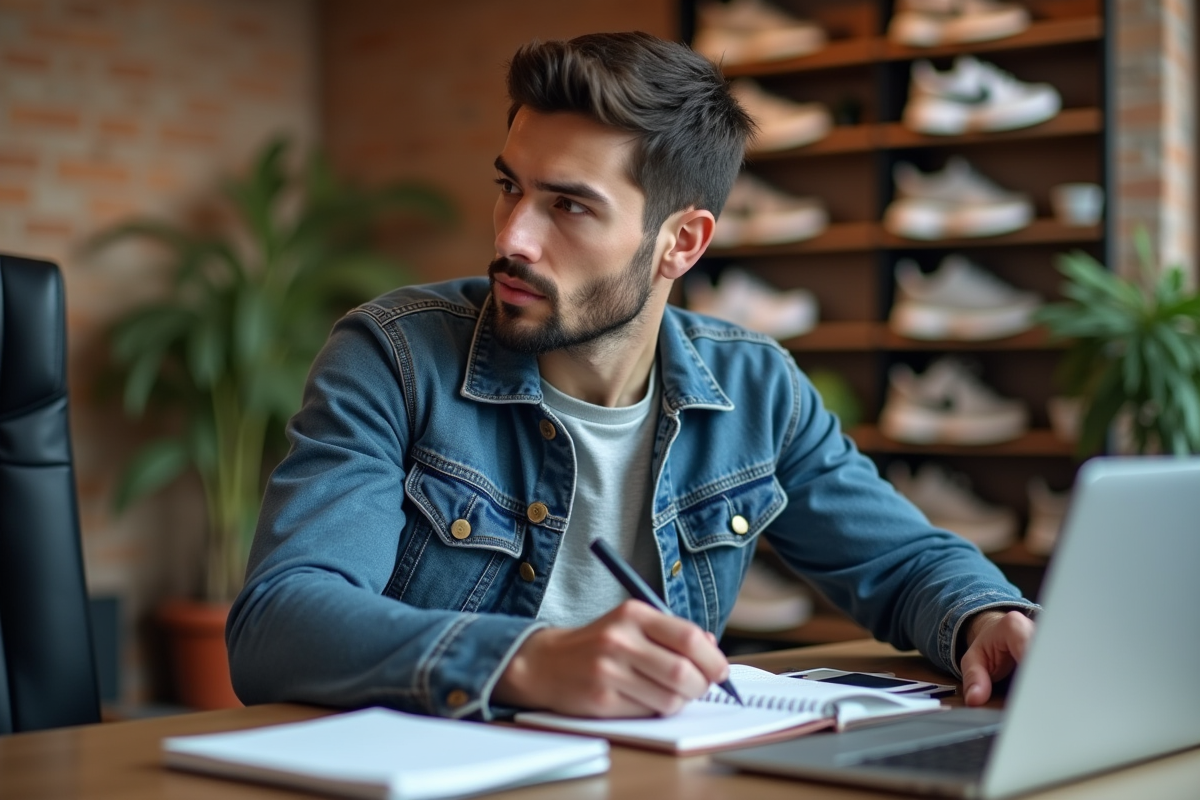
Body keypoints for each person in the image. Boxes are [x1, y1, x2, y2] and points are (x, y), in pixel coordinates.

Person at [227, 31, 1037, 721]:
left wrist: (984, 617)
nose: (514, 238)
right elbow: (280, 622)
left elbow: (903, 563)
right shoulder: (395, 357)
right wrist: (524, 662)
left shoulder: (756, 391)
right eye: (509, 187)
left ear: (681, 244)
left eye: (568, 206)